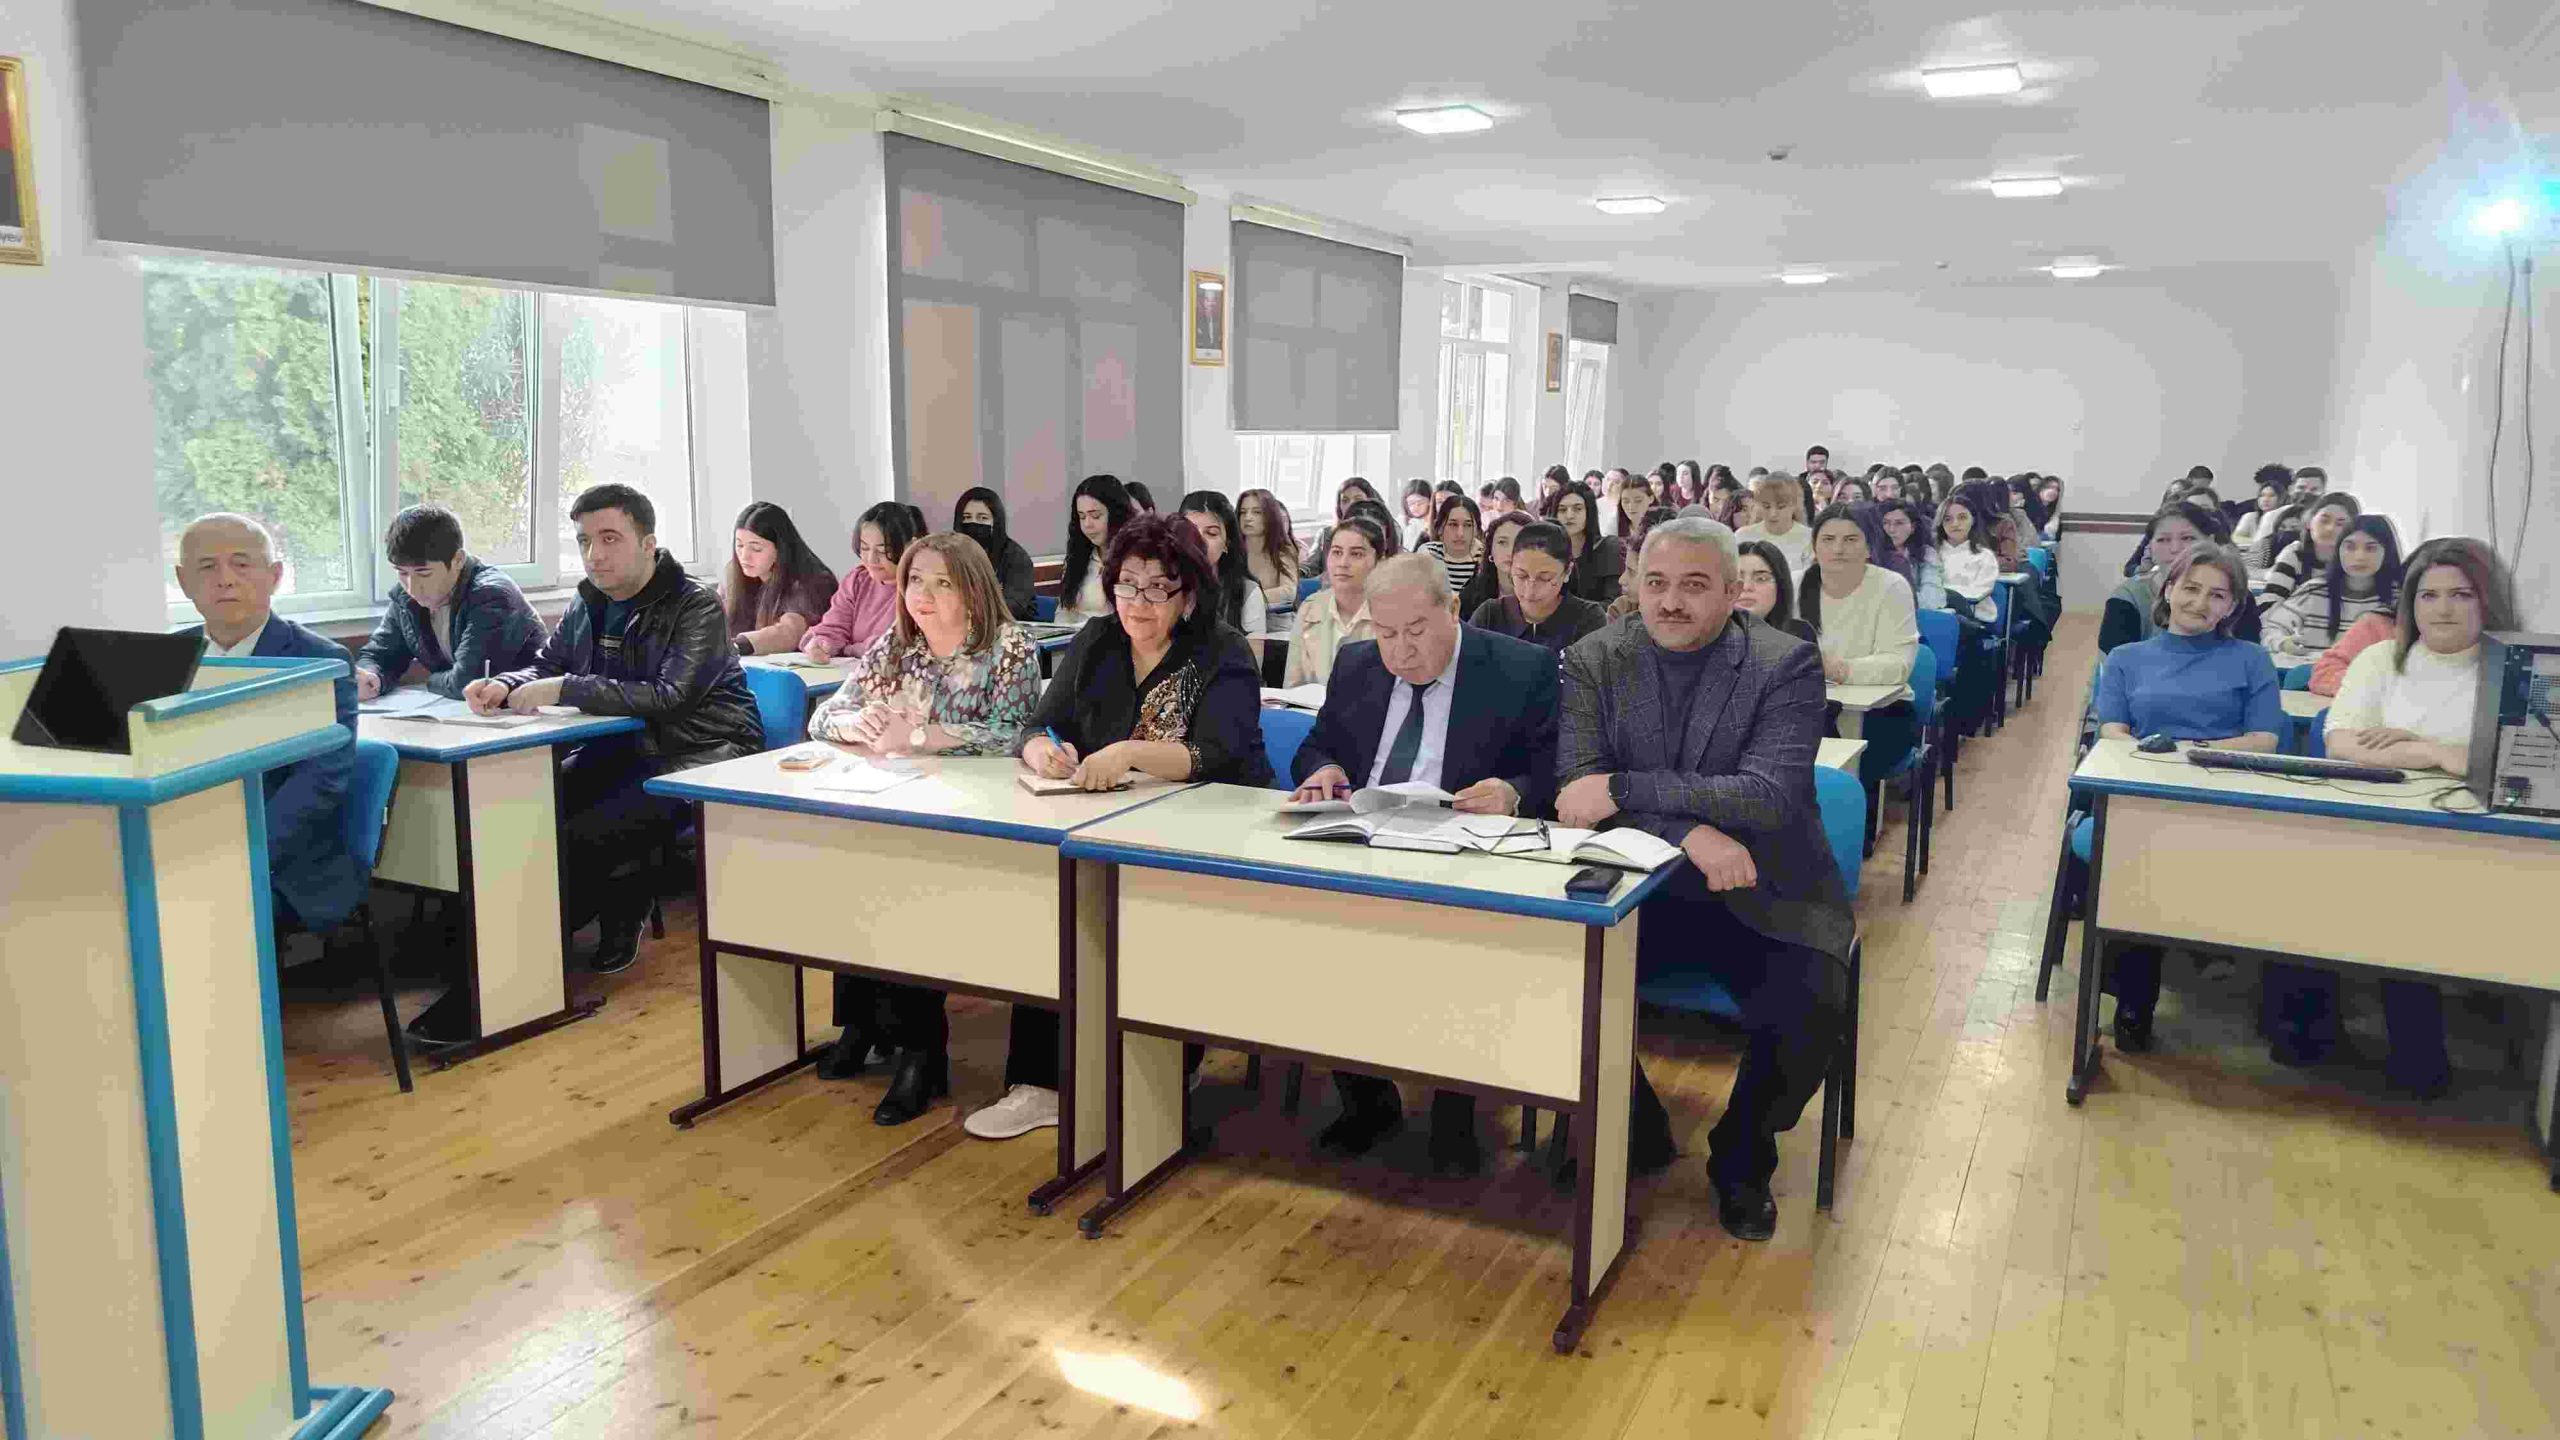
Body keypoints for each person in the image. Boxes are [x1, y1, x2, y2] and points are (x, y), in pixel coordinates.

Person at [1555, 517, 1851, 1239]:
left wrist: (1625, 787)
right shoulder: (1596, 656)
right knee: (1558, 973)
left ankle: (1743, 1156)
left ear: (1731, 591)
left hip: (1762, 884)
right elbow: (1574, 794)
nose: (1670, 602)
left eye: (1693, 586)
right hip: (1640, 883)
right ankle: (1635, 1124)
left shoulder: (1784, 662)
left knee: (1811, 1006)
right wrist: (1687, 831)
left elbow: (1767, 796)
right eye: (1655, 583)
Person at [969, 517, 1270, 1141]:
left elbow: (1216, 754)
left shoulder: (1223, 651)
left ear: (1188, 594)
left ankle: (1165, 1066)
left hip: (1206, 827)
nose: (1138, 602)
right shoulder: (1099, 639)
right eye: (1127, 585)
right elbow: (1038, 724)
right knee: (1054, 909)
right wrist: (1043, 752)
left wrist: (1129, 752)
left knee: (1161, 921)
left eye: (1158, 588)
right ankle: (1039, 1084)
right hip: (1102, 821)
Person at [1289, 553, 1560, 1175]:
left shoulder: (1520, 667)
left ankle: (1455, 1109)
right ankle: (1367, 1099)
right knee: (1311, 931)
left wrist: (1514, 791)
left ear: (1453, 610)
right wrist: (1324, 769)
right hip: (1365, 843)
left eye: (1416, 631)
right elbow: (1317, 744)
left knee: (1453, 946)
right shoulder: (1357, 664)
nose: (1401, 651)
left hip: (1465, 854)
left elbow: (1555, 767)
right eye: (1386, 633)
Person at [468, 484, 763, 975]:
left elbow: (670, 697)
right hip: (622, 747)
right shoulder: (589, 600)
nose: (594, 555)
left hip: (703, 751)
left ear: (647, 544)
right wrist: (504, 683)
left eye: (609, 539)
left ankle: (529, 961)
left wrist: (568, 689)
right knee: (525, 810)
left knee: (586, 831)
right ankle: (507, 955)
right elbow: (549, 664)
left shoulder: (695, 605)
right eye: (584, 541)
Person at [2260, 538, 2520, 1092]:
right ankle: (2309, 1037)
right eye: (2428, 595)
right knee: (2297, 884)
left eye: (2460, 594)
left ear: (2488, 600)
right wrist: (2439, 754)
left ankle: (2417, 1055)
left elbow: (2515, 762)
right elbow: (2341, 742)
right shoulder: (2382, 657)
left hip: (2467, 838)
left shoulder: (2514, 670)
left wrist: (2414, 745)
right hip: (2371, 821)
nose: (2442, 608)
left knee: (2405, 905)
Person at [805, 533, 1043, 1122]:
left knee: (907, 886)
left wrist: (918, 736)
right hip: (900, 796)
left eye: (942, 583)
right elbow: (824, 715)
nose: (923, 596)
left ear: (973, 589)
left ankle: (921, 1049)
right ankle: (862, 1025)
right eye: (915, 581)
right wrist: (858, 724)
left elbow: (1014, 732)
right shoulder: (898, 641)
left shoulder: (1009, 644)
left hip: (983, 814)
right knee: (854, 871)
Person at [2090, 544, 2283, 1051]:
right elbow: (2112, 730)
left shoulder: (2251, 659)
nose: (2200, 602)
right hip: (2148, 791)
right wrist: (2161, 758)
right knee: (2134, 859)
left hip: (2225, 794)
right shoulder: (2128, 659)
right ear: (2168, 589)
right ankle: (2134, 999)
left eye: (2217, 595)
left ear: (2232, 607)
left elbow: (2265, 739)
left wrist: (2194, 752)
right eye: (2191, 588)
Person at [174, 514, 365, 935]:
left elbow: (320, 782)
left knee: (188, 913)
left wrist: (235, 854)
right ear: (184, 582)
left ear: (274, 576)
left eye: (241, 564)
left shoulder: (319, 660)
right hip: (182, 847)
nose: (225, 579)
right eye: (207, 567)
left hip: (283, 861)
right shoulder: (166, 657)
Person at [355, 503, 547, 701]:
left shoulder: (492, 596)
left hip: (527, 706)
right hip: (462, 709)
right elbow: (380, 654)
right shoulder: (405, 597)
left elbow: (467, 682)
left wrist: (431, 681)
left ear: (458, 560)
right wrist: (371, 677)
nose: (412, 588)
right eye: (402, 573)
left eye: (424, 573)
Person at [1798, 504, 1921, 788]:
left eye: (1850, 539)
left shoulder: (1891, 586)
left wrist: (1839, 669)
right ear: (1814, 546)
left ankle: (1852, 810)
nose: (1838, 549)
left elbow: (1898, 664)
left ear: (1869, 547)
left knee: (1843, 766)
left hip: (1882, 710)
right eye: (1828, 539)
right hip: (1808, 705)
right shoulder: (1795, 583)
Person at [2260, 514, 2402, 662]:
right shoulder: (2314, 591)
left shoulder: (2399, 599)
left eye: (2370, 548)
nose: (2359, 556)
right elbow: (2270, 629)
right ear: (2338, 550)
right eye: (2350, 547)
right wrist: (2283, 643)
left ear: (2387, 553)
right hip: (2313, 671)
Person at [2099, 501, 2233, 653]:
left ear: (2210, 541)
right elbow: (2116, 663)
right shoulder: (2128, 598)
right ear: (2150, 547)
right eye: (2163, 540)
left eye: (2188, 538)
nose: (2175, 549)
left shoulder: (2231, 593)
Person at [801, 502, 924, 662]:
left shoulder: (920, 587)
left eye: (883, 550)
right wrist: (822, 643)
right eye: (865, 548)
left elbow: (896, 645)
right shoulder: (857, 580)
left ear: (911, 546)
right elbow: (834, 626)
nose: (871, 559)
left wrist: (849, 649)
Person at [1469, 519, 1607, 653]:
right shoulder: (1490, 615)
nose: (1530, 591)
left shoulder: (1588, 618)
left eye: (1544, 578)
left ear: (1567, 572)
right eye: (1522, 576)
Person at [722, 501, 840, 655]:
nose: (744, 556)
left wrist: (737, 646)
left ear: (780, 548)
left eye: (756, 548)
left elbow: (789, 632)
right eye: (739, 546)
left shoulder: (812, 581)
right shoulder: (734, 572)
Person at [1282, 514, 1387, 688]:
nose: (1343, 563)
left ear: (1379, 562)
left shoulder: (1392, 613)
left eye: (1356, 554)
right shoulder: (1311, 608)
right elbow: (1292, 686)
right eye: (1337, 552)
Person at [1177, 490, 1269, 657]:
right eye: (1191, 532)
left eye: (1211, 533)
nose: (1199, 542)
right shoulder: (1165, 587)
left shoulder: (1247, 593)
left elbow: (1253, 666)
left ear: (1227, 543)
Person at [1054, 475, 1138, 625]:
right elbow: (1064, 612)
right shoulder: (1078, 558)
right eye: (1082, 517)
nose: (1087, 524)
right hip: (1074, 637)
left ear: (1116, 515)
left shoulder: (1135, 559)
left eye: (1095, 516)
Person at [2255, 491, 2360, 606]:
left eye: (2340, 524)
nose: (2330, 528)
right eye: (2324, 520)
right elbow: (2270, 601)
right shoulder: (2295, 553)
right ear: (2309, 523)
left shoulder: (2357, 559)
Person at [952, 487, 1040, 620]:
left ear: (996, 521)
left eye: (982, 518)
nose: (973, 523)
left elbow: (1013, 606)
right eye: (967, 517)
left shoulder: (1016, 557)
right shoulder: (953, 554)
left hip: (1009, 626)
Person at [1543, 478, 1625, 605]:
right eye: (1563, 510)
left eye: (1577, 509)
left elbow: (1613, 603)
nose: (1569, 516)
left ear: (1589, 512)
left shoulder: (1609, 547)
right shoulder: (1548, 552)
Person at [1922, 491, 2000, 622]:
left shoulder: (1984, 556)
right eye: (1948, 519)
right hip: (1936, 613)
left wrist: (1943, 593)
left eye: (1962, 517)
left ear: (1973, 520)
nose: (1955, 524)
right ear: (1940, 523)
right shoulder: (1931, 554)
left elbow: (1978, 592)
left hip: (1974, 617)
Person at [1733, 539, 1816, 643]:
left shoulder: (1800, 634)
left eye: (1761, 579)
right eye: (1737, 578)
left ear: (1780, 586)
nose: (1746, 587)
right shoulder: (1713, 635)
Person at [1735, 470, 1814, 578]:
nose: (1773, 514)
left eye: (1781, 507)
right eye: (1766, 506)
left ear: (1795, 505)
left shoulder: (1809, 537)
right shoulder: (1742, 536)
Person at [1236, 487, 1303, 612]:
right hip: (1237, 617)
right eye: (1243, 512)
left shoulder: (1283, 550)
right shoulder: (1232, 550)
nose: (1247, 518)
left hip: (1275, 618)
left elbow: (1289, 592)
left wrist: (1248, 600)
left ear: (1270, 516)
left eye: (1257, 512)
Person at [1457, 508, 1531, 618]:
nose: (1510, 551)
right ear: (1490, 549)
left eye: (1520, 543)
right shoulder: (1471, 594)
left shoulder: (1546, 596)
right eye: (1502, 542)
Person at [1420, 493, 1487, 599]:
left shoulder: (1487, 558)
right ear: (1440, 528)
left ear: (1477, 530)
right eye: (1453, 524)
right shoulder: (1429, 553)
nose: (1460, 533)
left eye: (1468, 525)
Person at [1871, 498, 1925, 591]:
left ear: (1912, 527)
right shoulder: (1869, 554)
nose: (1891, 530)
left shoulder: (1925, 553)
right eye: (1885, 523)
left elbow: (1932, 595)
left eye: (1899, 523)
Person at [2230, 470, 2289, 553]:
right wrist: (2258, 544)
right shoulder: (2250, 517)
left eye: (2271, 496)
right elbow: (2235, 539)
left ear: (2281, 499)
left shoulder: (2286, 519)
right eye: (2262, 495)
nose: (2265, 499)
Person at [1397, 478, 1436, 552]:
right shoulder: (1401, 522)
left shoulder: (1433, 523)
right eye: (1411, 503)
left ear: (1430, 501)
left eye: (1420, 503)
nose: (1416, 507)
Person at [1611, 469, 1652, 539]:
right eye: (1626, 501)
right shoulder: (1614, 526)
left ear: (1651, 499)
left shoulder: (1661, 525)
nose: (1631, 507)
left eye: (1638, 501)